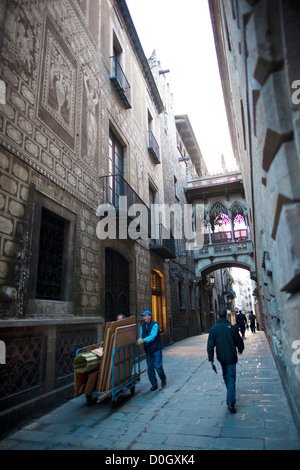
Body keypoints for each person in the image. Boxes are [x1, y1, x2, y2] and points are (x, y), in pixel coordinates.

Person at [207, 310, 244, 413]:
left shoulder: (214, 329)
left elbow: (210, 345)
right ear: (226, 316)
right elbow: (238, 340)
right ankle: (231, 400)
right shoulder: (231, 328)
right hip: (231, 357)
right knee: (231, 377)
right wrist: (240, 349)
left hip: (221, 358)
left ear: (218, 316)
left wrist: (211, 359)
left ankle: (230, 400)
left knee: (226, 376)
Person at [136, 310, 167, 391]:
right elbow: (140, 335)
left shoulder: (155, 325)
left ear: (150, 316)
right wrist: (140, 339)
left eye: (145, 316)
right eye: (143, 316)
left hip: (156, 349)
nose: (144, 317)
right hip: (148, 350)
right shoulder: (142, 326)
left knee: (158, 366)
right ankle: (154, 384)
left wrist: (143, 340)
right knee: (150, 368)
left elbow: (152, 336)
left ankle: (163, 379)